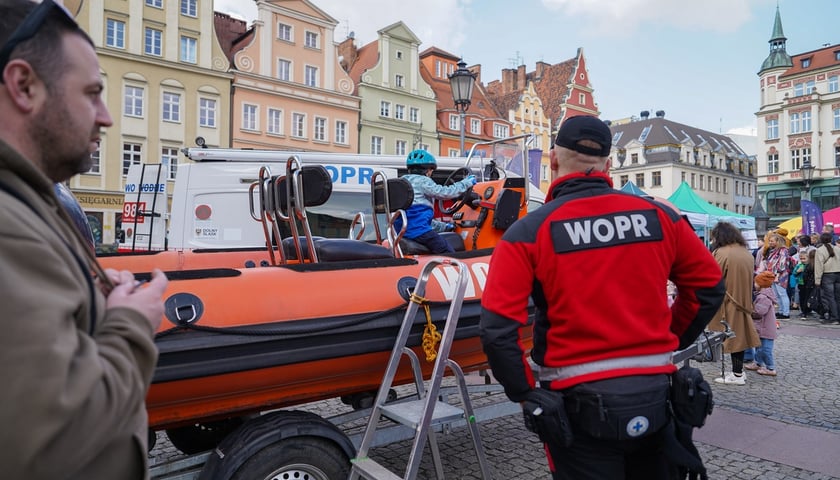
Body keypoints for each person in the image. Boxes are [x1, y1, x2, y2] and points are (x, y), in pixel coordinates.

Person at [480, 115, 725, 480]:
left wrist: (525, 393)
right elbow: (708, 287)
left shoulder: (527, 232)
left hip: (575, 405)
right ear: (609, 165)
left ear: (553, 161)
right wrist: (669, 340)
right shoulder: (660, 218)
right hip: (655, 395)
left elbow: (497, 330)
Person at [0, 1, 168, 478]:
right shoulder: (9, 222)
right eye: (92, 93)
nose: (107, 117)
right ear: (23, 85)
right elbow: (51, 437)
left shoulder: (31, 201)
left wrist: (89, 304)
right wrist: (130, 324)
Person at [708, 221, 761, 386]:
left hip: (727, 302)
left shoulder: (722, 253)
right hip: (743, 301)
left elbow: (711, 277)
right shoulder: (744, 252)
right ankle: (738, 372)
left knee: (732, 339)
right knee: (739, 338)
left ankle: (737, 374)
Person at [399, 149, 476, 253]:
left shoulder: (402, 181)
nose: (431, 173)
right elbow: (445, 192)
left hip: (402, 231)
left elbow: (417, 218)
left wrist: (444, 227)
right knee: (447, 250)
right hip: (418, 231)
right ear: (427, 170)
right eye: (431, 170)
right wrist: (466, 183)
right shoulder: (423, 181)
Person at [744, 271, 779, 376]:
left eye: (756, 283)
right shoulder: (763, 295)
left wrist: (750, 310)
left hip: (766, 329)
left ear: (761, 284)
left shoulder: (763, 297)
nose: (754, 285)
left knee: (765, 350)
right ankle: (758, 363)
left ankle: (770, 368)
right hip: (762, 328)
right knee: (760, 347)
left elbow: (759, 312)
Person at [761, 232, 791, 319]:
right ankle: (781, 311)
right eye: (769, 241)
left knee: (782, 293)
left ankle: (786, 312)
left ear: (778, 242)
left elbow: (782, 263)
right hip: (772, 275)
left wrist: (777, 273)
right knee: (776, 294)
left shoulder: (783, 250)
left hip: (780, 275)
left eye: (772, 241)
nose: (770, 242)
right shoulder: (773, 251)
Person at [815, 232, 840, 324]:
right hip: (838, 274)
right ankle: (838, 316)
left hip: (827, 275)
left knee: (830, 297)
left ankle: (834, 317)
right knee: (838, 297)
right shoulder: (837, 248)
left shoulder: (820, 250)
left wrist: (817, 279)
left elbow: (819, 266)